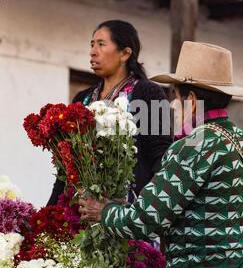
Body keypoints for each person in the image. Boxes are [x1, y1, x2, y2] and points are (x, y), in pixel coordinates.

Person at [79, 41, 243, 268]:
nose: (173, 106)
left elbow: (146, 220)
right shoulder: (239, 140)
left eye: (176, 96)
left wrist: (103, 211)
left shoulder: (193, 145)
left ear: (192, 102)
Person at [47, 20, 172, 206]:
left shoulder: (149, 93)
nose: (93, 51)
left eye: (101, 44)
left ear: (124, 53)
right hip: (82, 209)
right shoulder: (83, 99)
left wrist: (146, 208)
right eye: (92, 44)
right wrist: (52, 209)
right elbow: (67, 165)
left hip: (127, 211)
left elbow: (161, 156)